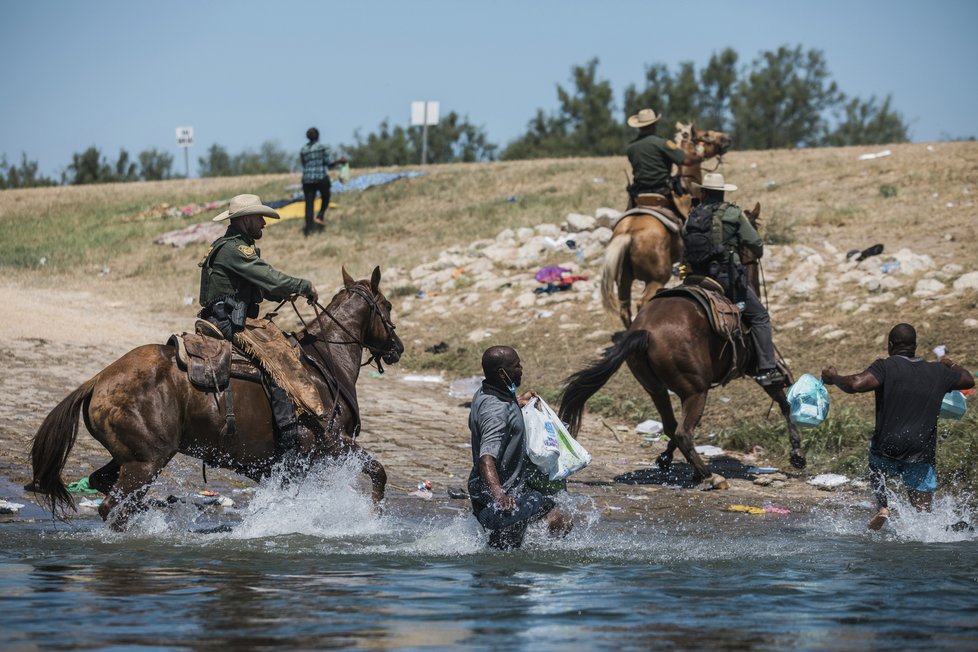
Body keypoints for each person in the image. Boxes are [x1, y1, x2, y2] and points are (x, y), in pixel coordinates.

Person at [198, 193, 320, 453]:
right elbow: (271, 278)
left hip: (228, 317)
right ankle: (288, 436)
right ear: (245, 220)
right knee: (279, 360)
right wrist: (303, 285)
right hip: (228, 323)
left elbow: (264, 287)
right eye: (260, 218)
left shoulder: (233, 245)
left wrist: (282, 292)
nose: (264, 223)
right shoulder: (235, 249)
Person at [821, 323, 974, 530]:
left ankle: (882, 507)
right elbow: (968, 380)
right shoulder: (938, 371)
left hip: (888, 446)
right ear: (915, 346)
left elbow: (856, 383)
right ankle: (928, 529)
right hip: (920, 451)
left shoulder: (886, 366)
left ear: (890, 345)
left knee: (877, 465)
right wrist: (950, 364)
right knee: (923, 512)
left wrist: (833, 378)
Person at [681, 172, 784, 386]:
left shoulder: (693, 214)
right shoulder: (733, 213)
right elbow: (755, 243)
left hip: (695, 278)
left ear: (704, 192)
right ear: (722, 193)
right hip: (726, 279)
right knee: (760, 317)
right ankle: (767, 369)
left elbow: (684, 239)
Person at [467, 346, 573, 550]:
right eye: (516, 366)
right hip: (503, 499)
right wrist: (499, 495)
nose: (521, 368)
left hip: (491, 494)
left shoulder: (486, 393)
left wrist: (517, 403)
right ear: (502, 373)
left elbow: (497, 411)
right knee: (560, 519)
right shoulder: (497, 411)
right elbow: (486, 458)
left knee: (504, 549)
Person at [625, 107, 702, 208]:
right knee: (687, 215)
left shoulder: (631, 147)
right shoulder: (663, 143)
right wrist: (700, 155)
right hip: (662, 191)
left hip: (639, 191)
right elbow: (687, 160)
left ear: (639, 126)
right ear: (654, 124)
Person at [300, 127, 346, 237]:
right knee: (326, 196)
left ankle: (309, 229)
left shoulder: (303, 149)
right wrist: (340, 161)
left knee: (309, 204)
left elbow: (303, 164)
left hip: (307, 180)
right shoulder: (322, 148)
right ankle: (320, 215)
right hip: (320, 177)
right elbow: (329, 163)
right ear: (318, 136)